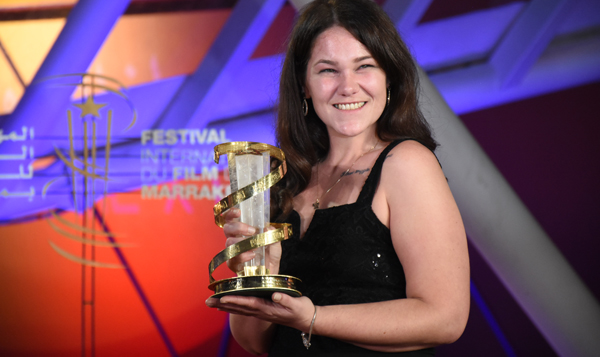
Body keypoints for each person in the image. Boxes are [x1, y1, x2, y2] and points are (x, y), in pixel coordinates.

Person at [206, 0, 470, 355]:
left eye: (364, 67)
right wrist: (256, 277)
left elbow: (445, 318)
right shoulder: (285, 181)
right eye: (328, 70)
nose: (348, 86)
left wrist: (313, 318)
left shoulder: (407, 164)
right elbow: (255, 342)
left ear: (388, 76)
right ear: (304, 85)